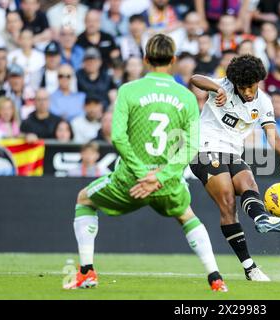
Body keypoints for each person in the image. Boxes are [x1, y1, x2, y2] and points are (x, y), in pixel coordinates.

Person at [66, 34, 227, 292]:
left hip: (131, 181)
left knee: (84, 199)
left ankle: (87, 273)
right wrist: (160, 177)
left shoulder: (129, 90)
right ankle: (216, 278)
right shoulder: (186, 97)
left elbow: (117, 136)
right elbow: (191, 146)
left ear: (145, 59)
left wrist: (143, 173)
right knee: (187, 216)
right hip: (168, 182)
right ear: (173, 60)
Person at [190, 54, 280, 281]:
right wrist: (217, 89)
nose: (248, 92)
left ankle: (262, 220)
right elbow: (195, 78)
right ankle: (250, 267)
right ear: (234, 83)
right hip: (203, 149)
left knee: (248, 182)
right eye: (243, 88)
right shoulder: (224, 86)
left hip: (232, 152)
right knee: (228, 202)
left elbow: (272, 134)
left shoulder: (263, 101)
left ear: (258, 81)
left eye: (251, 87)